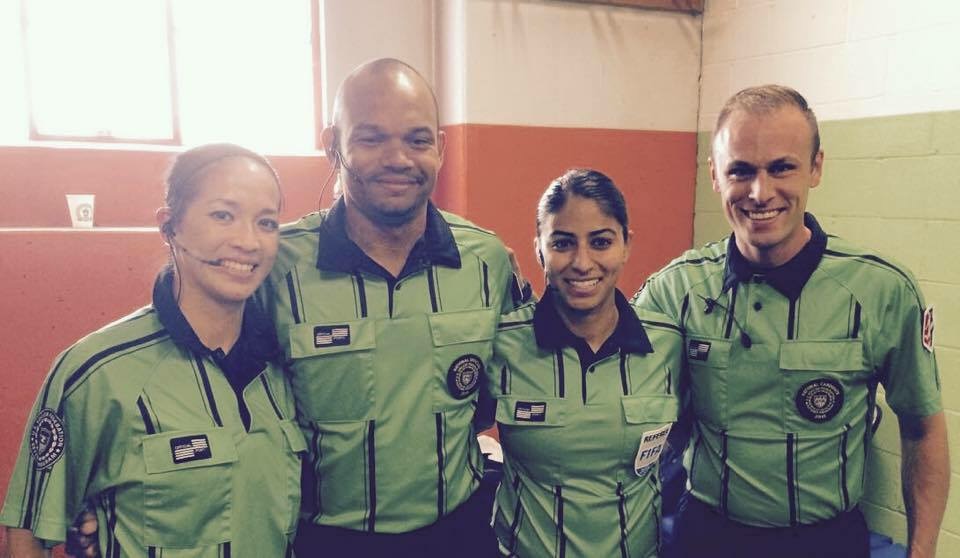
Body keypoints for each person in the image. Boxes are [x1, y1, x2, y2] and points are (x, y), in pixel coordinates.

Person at [633, 85, 949, 557]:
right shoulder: (673, 291)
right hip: (706, 537)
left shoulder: (882, 290)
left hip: (825, 542)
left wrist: (922, 552)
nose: (761, 193)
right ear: (715, 176)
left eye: (781, 167)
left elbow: (923, 429)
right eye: (740, 170)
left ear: (816, 167)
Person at [264, 58, 524, 557]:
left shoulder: (487, 261)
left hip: (459, 533)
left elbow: (500, 396)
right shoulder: (279, 269)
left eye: (418, 139)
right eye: (371, 138)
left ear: (441, 149)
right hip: (327, 542)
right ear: (331, 145)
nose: (398, 158)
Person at [0, 143, 303, 557]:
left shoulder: (288, 367)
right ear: (170, 226)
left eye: (267, 222)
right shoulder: (96, 372)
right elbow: (28, 532)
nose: (248, 241)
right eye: (223, 215)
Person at [486, 169, 682, 557]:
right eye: (562, 243)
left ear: (626, 245)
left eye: (601, 242)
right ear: (539, 249)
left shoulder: (669, 343)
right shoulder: (501, 343)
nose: (582, 262)